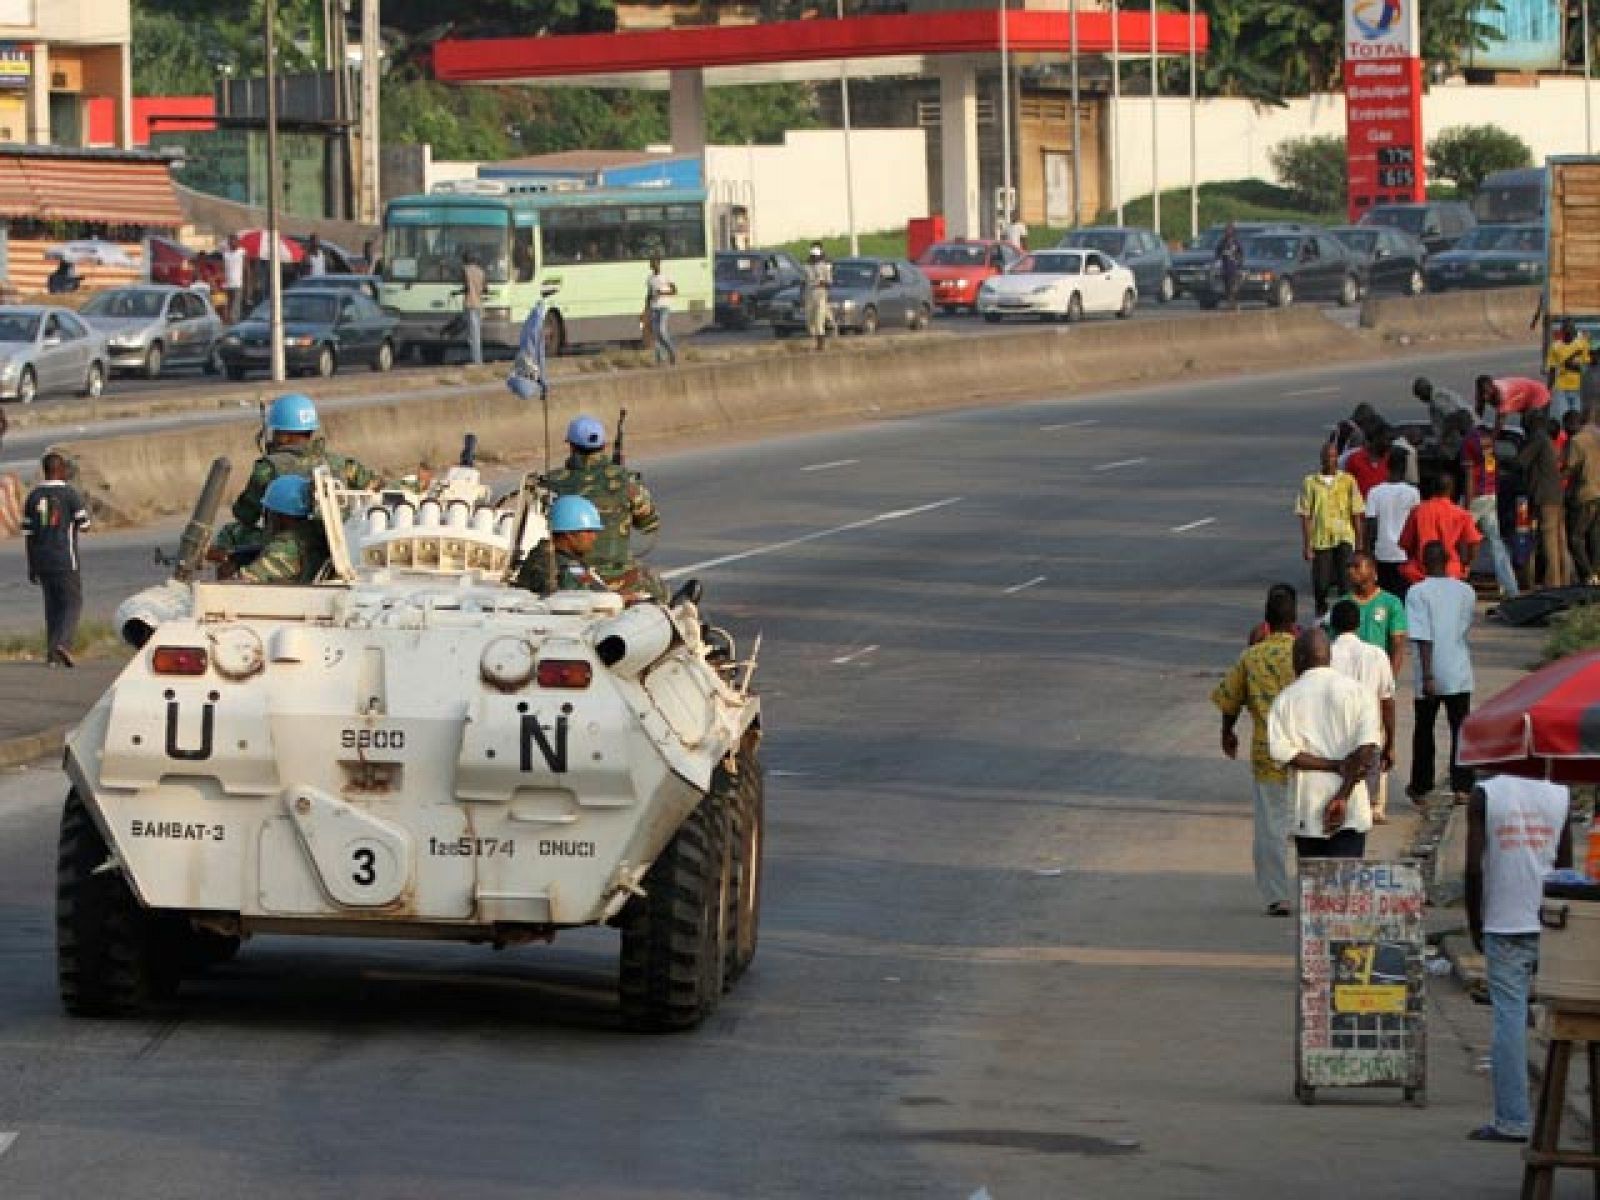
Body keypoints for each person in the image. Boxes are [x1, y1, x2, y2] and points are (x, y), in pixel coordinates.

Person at [1464, 774, 1574, 1144]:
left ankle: (1513, 1120)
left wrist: (1475, 922)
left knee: (1509, 1018)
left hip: (1503, 920)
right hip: (1551, 920)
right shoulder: (1560, 793)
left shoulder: (1486, 793)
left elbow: (1474, 867)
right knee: (1566, 1018)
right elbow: (1566, 868)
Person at [1212, 583, 1300, 915]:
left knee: (1271, 827)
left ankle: (1278, 896)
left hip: (1268, 754)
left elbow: (1229, 698)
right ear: (1294, 622)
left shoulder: (1250, 657)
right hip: (1311, 756)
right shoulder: (1307, 653)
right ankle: (1317, 893)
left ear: (1266, 622)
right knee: (1310, 823)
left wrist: (1227, 732)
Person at [1267, 628, 1383, 860]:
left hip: (1308, 812)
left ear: (1298, 659)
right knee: (1347, 887)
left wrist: (1334, 765)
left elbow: (1283, 753)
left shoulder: (1286, 699)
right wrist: (1342, 795)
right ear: (1328, 657)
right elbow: (1366, 750)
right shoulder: (1359, 693)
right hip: (1351, 810)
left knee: (1314, 889)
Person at [221, 393, 382, 557]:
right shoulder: (343, 464)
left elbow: (246, 515)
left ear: (285, 436)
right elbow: (379, 488)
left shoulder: (268, 468)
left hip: (287, 547)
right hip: (337, 545)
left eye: (276, 431)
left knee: (231, 532)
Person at [542, 415, 663, 599]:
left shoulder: (549, 482)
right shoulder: (625, 482)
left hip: (564, 575)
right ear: (603, 446)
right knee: (661, 595)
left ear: (571, 446)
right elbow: (650, 523)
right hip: (619, 578)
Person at [1405, 540, 1477, 804]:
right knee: (1460, 728)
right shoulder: (1466, 592)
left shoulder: (1417, 592)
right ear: (1448, 561)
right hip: (1459, 668)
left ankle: (1422, 786)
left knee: (1424, 730)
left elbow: (1423, 635)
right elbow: (1465, 625)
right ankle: (1462, 786)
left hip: (1431, 671)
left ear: (1423, 562)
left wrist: (1427, 675)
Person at [1328, 599, 1397, 824]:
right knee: (1363, 804)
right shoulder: (1377, 655)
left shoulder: (1325, 655)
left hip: (1332, 734)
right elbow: (1387, 702)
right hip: (1368, 736)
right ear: (1358, 625)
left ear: (1333, 626)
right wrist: (1390, 742)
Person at [21, 452, 89, 667]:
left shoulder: (33, 496)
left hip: (41, 560)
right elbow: (85, 525)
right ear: (60, 470)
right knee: (72, 603)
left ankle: (52, 654)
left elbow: (28, 536)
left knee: (52, 607)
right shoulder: (70, 494)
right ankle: (63, 644)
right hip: (65, 559)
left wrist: (32, 566)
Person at [1296, 441, 1365, 617]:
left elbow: (1356, 512)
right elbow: (1305, 514)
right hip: (1321, 539)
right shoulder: (1310, 482)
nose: (1330, 460)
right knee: (1321, 583)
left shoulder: (1348, 481)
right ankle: (1321, 610)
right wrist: (1307, 545)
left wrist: (1359, 544)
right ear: (1321, 459)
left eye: (1333, 456)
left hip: (1344, 536)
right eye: (1327, 456)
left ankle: (1345, 617)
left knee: (1345, 581)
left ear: (1337, 458)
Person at [1461, 409, 1519, 601]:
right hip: (1490, 495)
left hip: (1476, 497)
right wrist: (1499, 421)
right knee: (1496, 542)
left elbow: (1469, 474)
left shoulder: (1468, 441)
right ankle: (1511, 587)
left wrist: (1467, 506)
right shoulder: (1484, 439)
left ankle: (1458, 580)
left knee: (1459, 538)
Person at [235, 476, 329, 585]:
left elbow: (242, 583)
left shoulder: (285, 546)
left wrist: (227, 571)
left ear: (278, 515)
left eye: (268, 511)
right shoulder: (316, 531)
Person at [514, 495, 613, 595]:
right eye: (588, 531)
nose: (593, 537)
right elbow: (594, 598)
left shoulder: (548, 558)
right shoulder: (563, 568)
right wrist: (621, 599)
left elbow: (594, 586)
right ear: (569, 534)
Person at [1516, 410, 1570, 588]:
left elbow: (1520, 462)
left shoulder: (1538, 439)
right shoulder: (1546, 440)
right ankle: (1564, 581)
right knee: (1559, 541)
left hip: (1544, 498)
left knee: (1549, 542)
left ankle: (1553, 584)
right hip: (1555, 496)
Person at [1397, 471, 1480, 585]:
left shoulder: (1418, 511)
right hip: (1451, 571)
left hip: (1419, 572)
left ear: (1432, 488)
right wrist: (1466, 564)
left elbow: (1405, 543)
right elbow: (1474, 543)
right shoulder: (1461, 514)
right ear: (1451, 489)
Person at [1333, 552, 1408, 676]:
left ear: (1372, 569)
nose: (1351, 571)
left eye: (1356, 566)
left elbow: (1397, 646)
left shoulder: (1391, 602)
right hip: (1348, 675)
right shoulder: (1342, 604)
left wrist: (1389, 682)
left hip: (1377, 674)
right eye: (1348, 567)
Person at [1365, 447, 1421, 597]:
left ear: (1387, 467)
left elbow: (1370, 526)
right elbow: (1416, 525)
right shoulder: (1413, 493)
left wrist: (1368, 554)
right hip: (1404, 555)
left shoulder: (1374, 492)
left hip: (1382, 553)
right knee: (1402, 598)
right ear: (1404, 469)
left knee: (1382, 597)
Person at [1564, 398, 1600, 584]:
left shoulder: (1577, 441)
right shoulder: (1597, 436)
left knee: (1576, 538)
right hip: (1597, 492)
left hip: (1583, 494)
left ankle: (1587, 574)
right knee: (1593, 535)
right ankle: (1595, 571)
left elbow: (1569, 468)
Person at [505, 288, 551, 402]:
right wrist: (544, 383)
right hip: (529, 363)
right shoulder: (538, 328)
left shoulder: (529, 321)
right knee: (530, 389)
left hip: (521, 358)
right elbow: (540, 357)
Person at [1545, 319, 1592, 423]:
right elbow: (1552, 370)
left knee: (1575, 419)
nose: (1571, 332)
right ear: (1563, 331)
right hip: (1561, 388)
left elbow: (1587, 367)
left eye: (1572, 329)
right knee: (1564, 417)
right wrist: (1548, 390)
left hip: (1578, 389)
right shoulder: (1555, 347)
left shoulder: (1582, 344)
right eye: (1568, 329)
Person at [1475, 374, 1550, 433]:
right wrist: (1476, 428)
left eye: (1487, 393)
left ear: (1492, 387)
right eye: (1482, 393)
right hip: (1525, 395)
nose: (1485, 397)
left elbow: (1499, 422)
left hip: (1539, 394)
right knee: (1526, 425)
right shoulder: (1482, 391)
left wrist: (1491, 439)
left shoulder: (1502, 394)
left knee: (1532, 426)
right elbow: (1479, 411)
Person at [1342, 423, 1393, 499]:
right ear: (1376, 438)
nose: (1390, 444)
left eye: (1391, 440)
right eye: (1386, 439)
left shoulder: (1391, 459)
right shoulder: (1355, 459)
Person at [1413, 376, 1466, 443]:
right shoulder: (1435, 400)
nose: (1421, 399)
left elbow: (1453, 418)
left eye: (1420, 395)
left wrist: (1443, 438)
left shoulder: (1439, 399)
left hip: (1462, 438)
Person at [646, 254, 677, 367]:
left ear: (658, 263)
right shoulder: (650, 278)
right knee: (655, 334)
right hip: (654, 307)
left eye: (653, 262)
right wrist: (646, 309)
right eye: (651, 263)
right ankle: (660, 359)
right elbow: (649, 295)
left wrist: (662, 293)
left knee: (662, 331)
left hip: (664, 306)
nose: (652, 265)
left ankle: (672, 352)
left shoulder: (665, 276)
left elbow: (674, 291)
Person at [802, 243, 833, 351]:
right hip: (809, 294)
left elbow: (829, 282)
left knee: (819, 320)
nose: (814, 258)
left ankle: (821, 345)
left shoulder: (824, 266)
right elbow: (803, 281)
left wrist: (821, 282)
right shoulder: (806, 267)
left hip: (820, 294)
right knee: (810, 321)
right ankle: (816, 340)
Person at [1216, 222, 1244, 309]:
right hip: (1225, 267)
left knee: (1232, 285)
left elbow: (1241, 253)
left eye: (1230, 230)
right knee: (1226, 286)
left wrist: (1239, 262)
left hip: (1233, 267)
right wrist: (1218, 260)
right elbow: (1217, 252)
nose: (1228, 232)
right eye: (1226, 230)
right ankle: (1229, 301)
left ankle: (1233, 302)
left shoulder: (1236, 242)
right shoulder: (1222, 242)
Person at [222, 234, 245, 324]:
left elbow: (246, 269)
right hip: (227, 283)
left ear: (237, 242)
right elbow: (223, 268)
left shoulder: (242, 252)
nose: (231, 243)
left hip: (238, 283)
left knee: (236, 305)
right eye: (230, 241)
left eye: (233, 241)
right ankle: (229, 321)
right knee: (228, 304)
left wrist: (249, 284)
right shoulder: (225, 254)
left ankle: (235, 322)